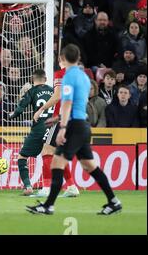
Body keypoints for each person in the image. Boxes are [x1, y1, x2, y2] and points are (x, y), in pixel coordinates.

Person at [27, 44, 122, 215]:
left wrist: (62, 126)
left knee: (56, 161)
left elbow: (67, 102)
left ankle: (48, 205)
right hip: (83, 124)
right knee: (89, 166)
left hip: (73, 125)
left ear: (62, 58)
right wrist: (59, 118)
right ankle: (113, 202)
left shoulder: (68, 77)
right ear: (78, 58)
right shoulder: (85, 77)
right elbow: (82, 102)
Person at [32, 59, 79, 198]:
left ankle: (46, 188)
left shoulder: (61, 73)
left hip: (60, 118)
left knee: (46, 150)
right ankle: (71, 186)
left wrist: (41, 109)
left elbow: (57, 96)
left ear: (61, 61)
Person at [8, 69, 53, 196]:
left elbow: (20, 109)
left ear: (33, 80)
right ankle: (66, 185)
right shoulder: (54, 91)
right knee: (55, 157)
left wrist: (11, 116)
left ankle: (28, 186)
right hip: (54, 128)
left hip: (39, 129)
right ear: (45, 79)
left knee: (22, 157)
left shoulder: (32, 91)